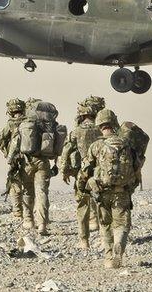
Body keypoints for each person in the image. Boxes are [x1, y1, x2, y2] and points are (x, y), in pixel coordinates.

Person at [81, 109, 140, 268]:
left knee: (105, 224)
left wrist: (84, 185)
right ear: (114, 123)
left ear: (100, 126)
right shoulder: (127, 144)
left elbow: (85, 169)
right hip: (122, 192)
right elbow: (136, 167)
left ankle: (108, 258)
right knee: (121, 224)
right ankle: (119, 245)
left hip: (102, 192)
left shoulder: (96, 145)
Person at [59, 96, 105, 249]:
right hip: (102, 174)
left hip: (83, 174)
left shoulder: (76, 131)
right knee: (104, 205)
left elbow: (66, 151)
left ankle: (84, 241)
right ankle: (105, 239)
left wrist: (64, 171)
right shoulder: (103, 129)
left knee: (82, 207)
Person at [10, 99, 60, 235]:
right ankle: (42, 224)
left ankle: (28, 220)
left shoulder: (25, 123)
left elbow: (15, 143)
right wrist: (56, 164)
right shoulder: (49, 125)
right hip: (43, 163)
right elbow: (56, 146)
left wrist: (11, 161)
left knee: (27, 191)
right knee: (42, 193)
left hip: (27, 162)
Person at [0, 98, 30, 220]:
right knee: (29, 186)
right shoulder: (31, 122)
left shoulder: (11, 123)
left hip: (16, 159)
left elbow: (1, 141)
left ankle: (17, 213)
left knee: (14, 184)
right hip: (31, 159)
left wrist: (7, 154)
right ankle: (29, 214)